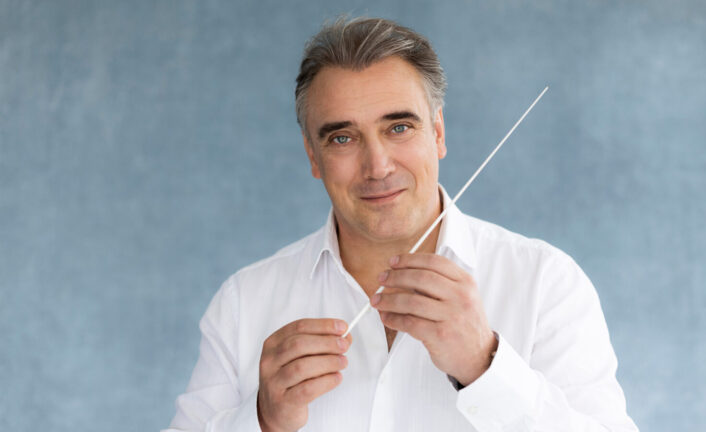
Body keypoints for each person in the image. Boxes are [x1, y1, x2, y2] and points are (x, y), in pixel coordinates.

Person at [164, 16, 638, 432]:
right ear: (314, 157)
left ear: (438, 133)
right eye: (343, 137)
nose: (378, 166)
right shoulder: (245, 303)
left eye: (399, 128)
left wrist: (484, 366)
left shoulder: (544, 283)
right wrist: (262, 421)